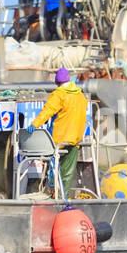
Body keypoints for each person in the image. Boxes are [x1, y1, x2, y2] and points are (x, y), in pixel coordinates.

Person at [31, 68, 88, 197]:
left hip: (59, 141)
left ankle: (54, 196)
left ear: (56, 82)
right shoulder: (80, 95)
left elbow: (47, 112)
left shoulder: (59, 94)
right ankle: (64, 197)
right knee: (67, 172)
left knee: (54, 170)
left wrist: (34, 125)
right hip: (75, 140)